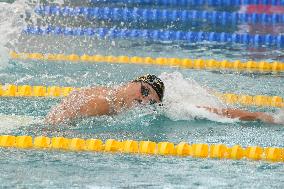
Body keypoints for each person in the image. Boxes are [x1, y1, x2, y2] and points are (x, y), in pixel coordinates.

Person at [46, 74, 278, 125]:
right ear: (132, 82)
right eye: (144, 91)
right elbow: (61, 114)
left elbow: (208, 110)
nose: (143, 100)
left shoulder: (127, 104)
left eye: (151, 101)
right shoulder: (101, 101)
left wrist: (258, 115)